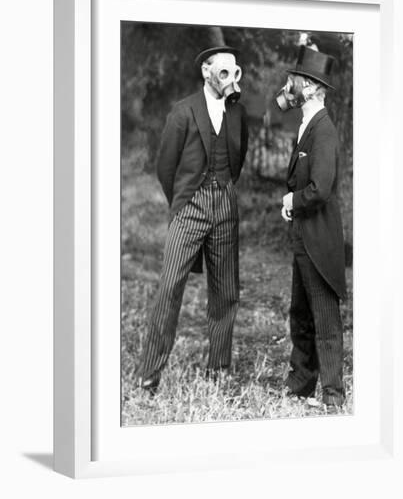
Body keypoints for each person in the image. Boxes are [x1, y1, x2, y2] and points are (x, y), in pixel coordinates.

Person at [138, 45, 249, 392]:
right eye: (223, 71)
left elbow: (238, 157)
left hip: (225, 203)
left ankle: (218, 369)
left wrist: (223, 192)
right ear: (206, 71)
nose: (229, 79)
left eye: (235, 72)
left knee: (225, 292)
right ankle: (149, 375)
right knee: (170, 287)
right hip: (190, 205)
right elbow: (164, 167)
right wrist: (183, 204)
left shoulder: (237, 112)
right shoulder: (183, 111)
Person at [276, 45, 347, 408]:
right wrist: (294, 208)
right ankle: (301, 384)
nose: (288, 85)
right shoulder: (307, 125)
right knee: (300, 314)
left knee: (325, 320)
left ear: (311, 89)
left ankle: (333, 395)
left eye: (295, 80)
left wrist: (293, 201)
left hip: (320, 241)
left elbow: (319, 189)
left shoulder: (324, 130)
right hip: (304, 236)